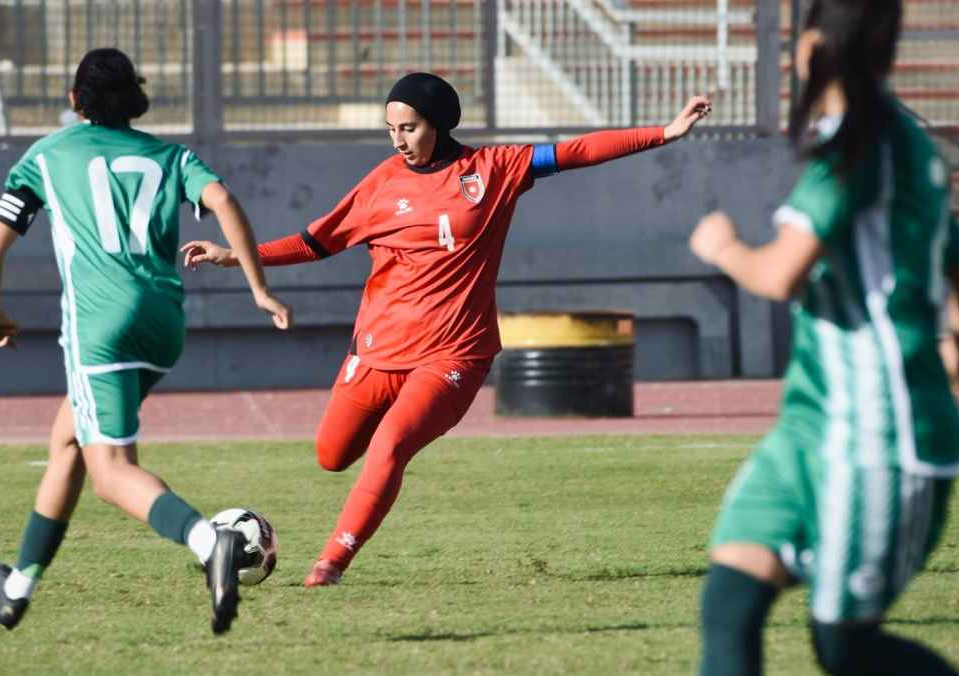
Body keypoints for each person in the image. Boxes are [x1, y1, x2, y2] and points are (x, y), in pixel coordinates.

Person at [181, 71, 710, 586]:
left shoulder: (494, 169)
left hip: (453, 354)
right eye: (391, 129)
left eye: (408, 127)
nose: (399, 139)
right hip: (378, 349)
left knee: (391, 443)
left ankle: (330, 565)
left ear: (439, 123)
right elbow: (315, 241)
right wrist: (237, 256)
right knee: (332, 455)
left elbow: (577, 152)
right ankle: (364, 487)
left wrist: (663, 132)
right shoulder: (381, 183)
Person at [687, 2, 959, 673]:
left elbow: (781, 274)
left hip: (879, 434)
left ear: (814, 45)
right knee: (729, 602)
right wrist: (957, 337)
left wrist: (723, 247)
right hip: (811, 426)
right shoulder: (905, 140)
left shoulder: (858, 145)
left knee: (845, 647)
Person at [0, 48, 292, 634]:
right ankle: (17, 585)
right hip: (163, 322)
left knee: (111, 470)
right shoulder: (172, 156)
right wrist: (259, 291)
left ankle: (209, 542)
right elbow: (222, 200)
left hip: (102, 327)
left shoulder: (47, 155)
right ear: (135, 98)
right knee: (68, 441)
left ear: (75, 101)